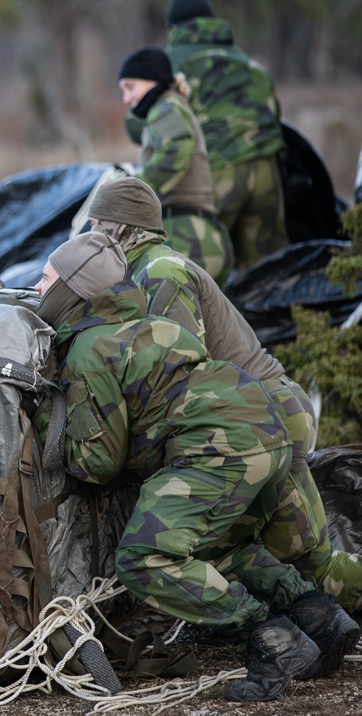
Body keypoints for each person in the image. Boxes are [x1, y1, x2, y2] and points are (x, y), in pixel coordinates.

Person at [31, 231, 358, 702]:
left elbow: (98, 463)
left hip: (222, 448)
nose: (37, 288)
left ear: (73, 289)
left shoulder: (89, 352)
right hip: (269, 428)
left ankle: (271, 638)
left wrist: (45, 412)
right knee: (227, 549)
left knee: (144, 559)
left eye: (46, 278)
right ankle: (319, 618)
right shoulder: (149, 325)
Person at [86, 175, 362, 615]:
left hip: (256, 423)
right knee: (299, 561)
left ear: (118, 227)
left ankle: (274, 631)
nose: (91, 235)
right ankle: (310, 624)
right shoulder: (152, 266)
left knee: (288, 560)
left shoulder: (159, 271)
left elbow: (179, 370)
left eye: (96, 224)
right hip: (258, 420)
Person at [164, 0, 289, 268]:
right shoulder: (247, 61)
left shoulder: (175, 63)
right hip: (267, 171)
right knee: (270, 272)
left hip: (218, 171)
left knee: (197, 270)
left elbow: (157, 122)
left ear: (172, 28)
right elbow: (275, 116)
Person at [117, 46, 233, 287]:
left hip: (188, 239)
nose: (127, 99)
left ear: (153, 81)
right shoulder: (172, 107)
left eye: (130, 87)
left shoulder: (166, 108)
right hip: (200, 238)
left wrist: (130, 194)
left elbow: (176, 148)